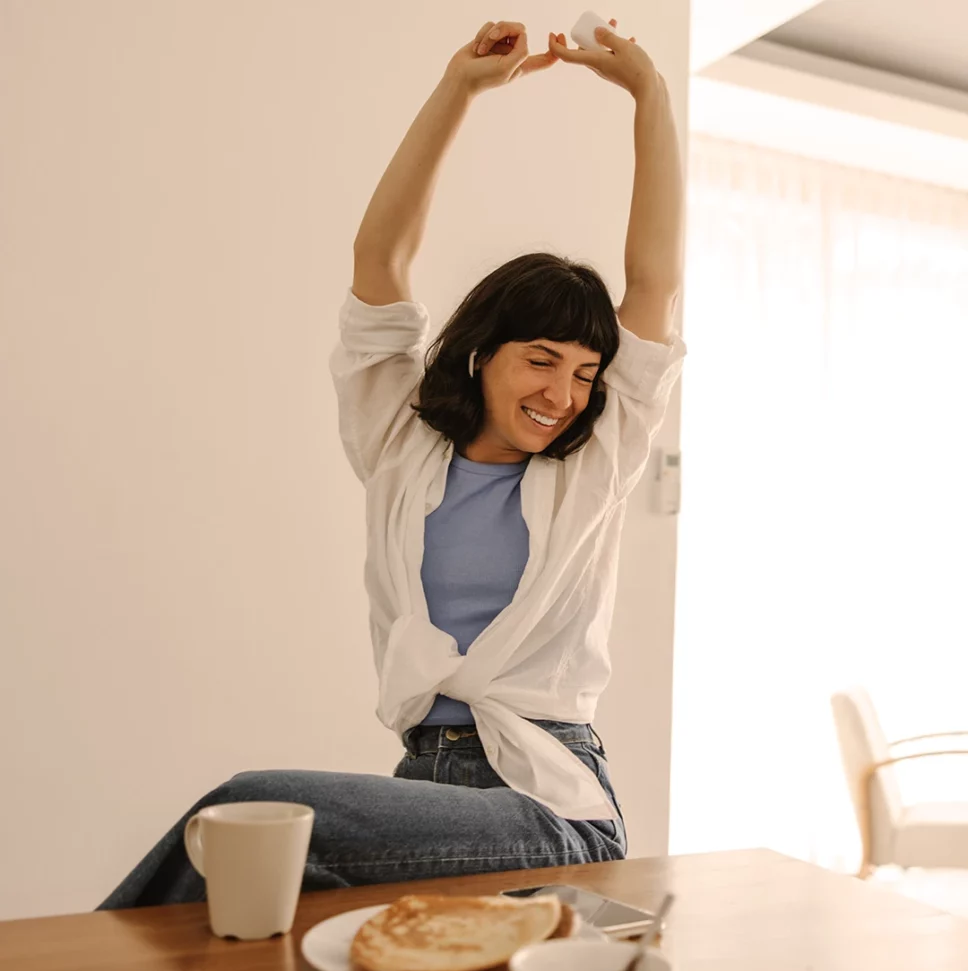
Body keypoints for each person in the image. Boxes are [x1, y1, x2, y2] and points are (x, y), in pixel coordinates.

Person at [98, 18, 686, 909]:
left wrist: (651, 96)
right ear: (482, 352)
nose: (564, 394)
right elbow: (380, 256)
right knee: (262, 922)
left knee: (245, 814)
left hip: (551, 805)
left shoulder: (594, 468)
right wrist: (459, 90)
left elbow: (655, 280)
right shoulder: (400, 443)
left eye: (584, 373)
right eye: (540, 359)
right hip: (425, 789)